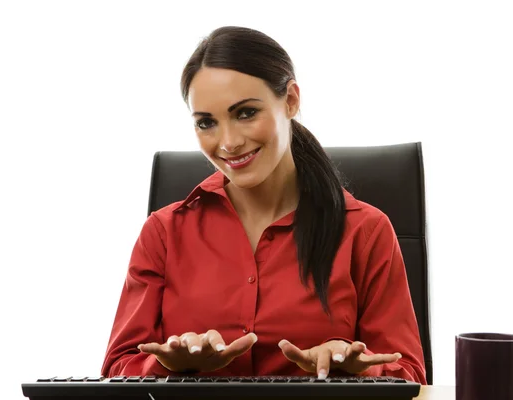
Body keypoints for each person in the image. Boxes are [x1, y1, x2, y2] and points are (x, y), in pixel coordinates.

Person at [101, 26, 427, 384]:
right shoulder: (163, 232)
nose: (228, 143)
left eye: (245, 113)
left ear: (290, 100)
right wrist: (170, 365)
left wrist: (352, 367)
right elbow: (117, 367)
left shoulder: (365, 231)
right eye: (207, 122)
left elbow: (409, 375)